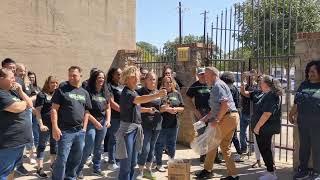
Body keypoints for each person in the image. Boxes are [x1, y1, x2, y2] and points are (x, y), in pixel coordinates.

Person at [115, 66, 166, 180]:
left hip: (135, 129)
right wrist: (157, 95)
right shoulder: (128, 92)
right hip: (127, 130)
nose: (137, 78)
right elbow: (139, 100)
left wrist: (147, 110)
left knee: (132, 162)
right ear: (128, 78)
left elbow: (137, 107)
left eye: (137, 76)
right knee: (126, 164)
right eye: (134, 76)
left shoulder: (133, 91)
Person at [196, 67, 239, 180]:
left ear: (214, 75)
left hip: (227, 117)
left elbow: (225, 105)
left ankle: (207, 170)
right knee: (225, 147)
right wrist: (203, 120)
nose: (204, 77)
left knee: (212, 143)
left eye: (206, 75)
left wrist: (217, 120)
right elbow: (215, 109)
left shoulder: (217, 86)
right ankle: (233, 175)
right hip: (231, 117)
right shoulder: (218, 85)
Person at [51, 66, 93, 180]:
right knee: (62, 159)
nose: (71, 77)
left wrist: (84, 128)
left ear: (80, 76)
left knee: (75, 159)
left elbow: (87, 111)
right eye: (69, 75)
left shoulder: (84, 93)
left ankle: (70, 177)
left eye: (74, 75)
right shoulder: (61, 90)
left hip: (79, 131)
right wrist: (55, 127)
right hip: (65, 131)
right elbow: (54, 109)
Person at [77, 70, 111, 178]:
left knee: (98, 147)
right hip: (91, 122)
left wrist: (108, 120)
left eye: (102, 77)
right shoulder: (88, 91)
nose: (101, 79)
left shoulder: (105, 91)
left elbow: (108, 107)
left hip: (103, 122)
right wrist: (95, 122)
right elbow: (85, 110)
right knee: (88, 146)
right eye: (99, 77)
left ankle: (96, 168)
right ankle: (78, 169)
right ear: (94, 78)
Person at [0, 68, 33, 180]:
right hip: (8, 142)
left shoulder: (11, 91)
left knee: (11, 170)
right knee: (3, 173)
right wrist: (24, 103)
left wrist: (20, 91)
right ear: (1, 79)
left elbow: (30, 104)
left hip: (19, 141)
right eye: (12, 78)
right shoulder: (0, 93)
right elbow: (16, 107)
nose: (15, 80)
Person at [290, 60, 320, 180]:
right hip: (303, 121)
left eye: (313, 71)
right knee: (304, 147)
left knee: (317, 147)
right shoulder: (304, 84)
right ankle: (303, 170)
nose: (310, 73)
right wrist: (291, 114)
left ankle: (317, 172)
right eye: (309, 71)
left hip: (317, 122)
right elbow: (297, 102)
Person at [249, 75, 282, 180]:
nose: (260, 83)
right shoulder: (266, 94)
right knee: (265, 149)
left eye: (261, 82)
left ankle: (271, 174)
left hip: (265, 128)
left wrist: (257, 127)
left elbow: (267, 113)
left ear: (266, 84)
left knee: (265, 149)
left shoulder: (271, 95)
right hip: (263, 128)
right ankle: (269, 170)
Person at [136, 72, 164, 179]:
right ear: (145, 80)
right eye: (151, 79)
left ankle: (148, 169)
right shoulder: (139, 92)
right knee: (145, 148)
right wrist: (147, 110)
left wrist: (164, 108)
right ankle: (140, 170)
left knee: (152, 148)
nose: (153, 82)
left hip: (156, 124)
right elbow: (136, 108)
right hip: (145, 124)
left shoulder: (158, 92)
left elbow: (160, 108)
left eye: (154, 79)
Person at [155, 76, 185, 172]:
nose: (168, 84)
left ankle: (171, 162)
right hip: (162, 124)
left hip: (174, 123)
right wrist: (167, 109)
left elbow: (182, 108)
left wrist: (175, 109)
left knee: (172, 144)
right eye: (166, 82)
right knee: (160, 144)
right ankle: (159, 164)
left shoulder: (176, 93)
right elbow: (158, 108)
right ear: (163, 84)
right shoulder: (159, 94)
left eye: (170, 82)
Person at [34, 76, 59, 178]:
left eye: (56, 83)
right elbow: (38, 112)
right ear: (47, 83)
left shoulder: (57, 94)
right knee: (42, 145)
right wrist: (41, 125)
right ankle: (39, 168)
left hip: (55, 124)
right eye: (52, 82)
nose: (55, 85)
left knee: (54, 145)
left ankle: (52, 165)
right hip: (45, 125)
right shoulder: (41, 95)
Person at [186, 67, 211, 163]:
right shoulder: (194, 86)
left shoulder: (210, 84)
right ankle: (203, 155)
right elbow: (188, 98)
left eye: (204, 73)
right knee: (201, 134)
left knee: (212, 134)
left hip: (210, 112)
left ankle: (213, 156)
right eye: (201, 74)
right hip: (199, 114)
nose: (203, 75)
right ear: (197, 75)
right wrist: (195, 111)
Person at [220, 72, 242, 162]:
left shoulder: (225, 89)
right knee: (233, 135)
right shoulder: (235, 88)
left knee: (230, 136)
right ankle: (238, 152)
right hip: (235, 112)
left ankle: (238, 152)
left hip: (228, 113)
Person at [105, 67, 123, 170]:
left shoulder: (121, 86)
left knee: (120, 139)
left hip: (123, 117)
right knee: (113, 139)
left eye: (120, 74)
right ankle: (111, 162)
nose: (119, 76)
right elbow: (111, 103)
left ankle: (118, 159)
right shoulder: (109, 86)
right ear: (112, 75)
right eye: (117, 74)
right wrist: (123, 110)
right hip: (115, 117)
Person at [239, 70, 258, 154]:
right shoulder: (245, 85)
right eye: (247, 76)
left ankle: (252, 148)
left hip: (252, 113)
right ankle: (244, 148)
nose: (248, 77)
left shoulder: (256, 87)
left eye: (251, 75)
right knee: (242, 133)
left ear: (254, 76)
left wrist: (242, 83)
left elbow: (244, 93)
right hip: (244, 112)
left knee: (253, 133)